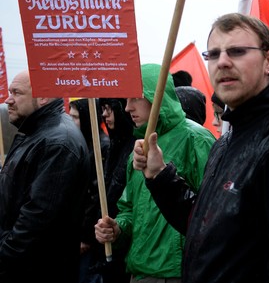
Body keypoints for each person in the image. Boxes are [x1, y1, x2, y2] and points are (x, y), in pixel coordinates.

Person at [132, 13, 269, 282]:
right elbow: (204, 227)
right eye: (213, 54)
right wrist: (159, 175)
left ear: (268, 61)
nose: (223, 62)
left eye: (237, 51)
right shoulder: (228, 140)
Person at [94, 63, 215, 282]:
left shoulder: (197, 139)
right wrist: (117, 229)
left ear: (157, 96)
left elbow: (212, 212)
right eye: (126, 100)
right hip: (139, 273)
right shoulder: (139, 149)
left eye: (135, 98)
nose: (127, 107)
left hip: (179, 274)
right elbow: (128, 210)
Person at [0, 70, 91, 283]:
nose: (8, 99)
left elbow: (36, 218)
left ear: (42, 97)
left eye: (17, 92)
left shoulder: (58, 143)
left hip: (35, 271)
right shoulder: (39, 133)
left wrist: (4, 255)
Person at [89, 98, 135, 283]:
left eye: (110, 108)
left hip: (125, 243)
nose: (104, 114)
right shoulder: (116, 143)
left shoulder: (135, 146)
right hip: (109, 236)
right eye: (102, 109)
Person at [69, 98, 111, 283]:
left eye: (76, 117)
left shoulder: (101, 145)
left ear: (87, 118)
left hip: (91, 237)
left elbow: (94, 195)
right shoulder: (80, 142)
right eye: (70, 117)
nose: (72, 122)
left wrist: (86, 237)